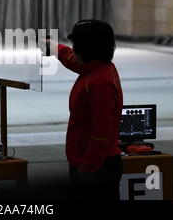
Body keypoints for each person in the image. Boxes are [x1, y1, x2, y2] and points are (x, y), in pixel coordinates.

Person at [49, 19, 123, 200]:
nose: (73, 48)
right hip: (88, 161)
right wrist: (51, 46)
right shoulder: (96, 68)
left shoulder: (100, 82)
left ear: (86, 48)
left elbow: (101, 133)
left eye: (76, 44)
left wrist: (87, 170)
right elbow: (71, 59)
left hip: (96, 166)